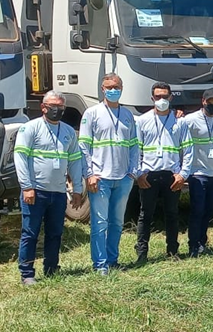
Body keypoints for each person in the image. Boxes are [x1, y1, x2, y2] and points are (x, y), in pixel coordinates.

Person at [14, 91, 83, 285]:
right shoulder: (30, 129)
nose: (58, 110)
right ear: (43, 107)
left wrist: (77, 189)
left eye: (61, 107)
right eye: (54, 106)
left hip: (58, 192)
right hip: (35, 191)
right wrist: (27, 187)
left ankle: (51, 268)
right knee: (30, 232)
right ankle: (27, 273)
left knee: (55, 233)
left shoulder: (68, 131)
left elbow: (75, 161)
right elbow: (20, 159)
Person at [79, 73, 139, 274]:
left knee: (117, 222)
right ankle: (100, 264)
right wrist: (90, 174)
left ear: (122, 88)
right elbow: (84, 146)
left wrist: (132, 172)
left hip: (123, 178)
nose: (113, 90)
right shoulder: (92, 113)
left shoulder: (128, 114)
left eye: (116, 86)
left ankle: (113, 260)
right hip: (100, 178)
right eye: (109, 87)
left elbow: (133, 146)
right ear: (102, 89)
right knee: (99, 223)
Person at [134, 82, 186, 263]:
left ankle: (173, 251)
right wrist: (139, 173)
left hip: (172, 175)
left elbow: (188, 149)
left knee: (172, 214)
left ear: (171, 97)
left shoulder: (180, 121)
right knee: (145, 214)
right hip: (148, 175)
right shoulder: (142, 121)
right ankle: (141, 253)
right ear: (152, 99)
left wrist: (183, 174)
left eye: (165, 96)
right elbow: (136, 150)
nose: (162, 100)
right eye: (158, 97)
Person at [179, 88, 213, 258]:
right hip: (197, 173)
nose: (212, 105)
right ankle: (193, 245)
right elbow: (177, 130)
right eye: (210, 102)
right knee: (197, 210)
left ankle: (202, 242)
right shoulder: (191, 120)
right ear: (203, 101)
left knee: (208, 211)